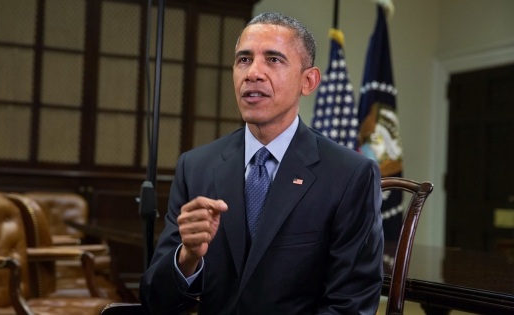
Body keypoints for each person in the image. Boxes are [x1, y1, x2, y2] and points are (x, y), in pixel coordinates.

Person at [140, 12, 384, 315]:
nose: (253, 73)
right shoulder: (196, 166)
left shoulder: (350, 174)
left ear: (308, 81)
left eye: (273, 60)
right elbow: (155, 301)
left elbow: (351, 305)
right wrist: (187, 257)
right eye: (243, 60)